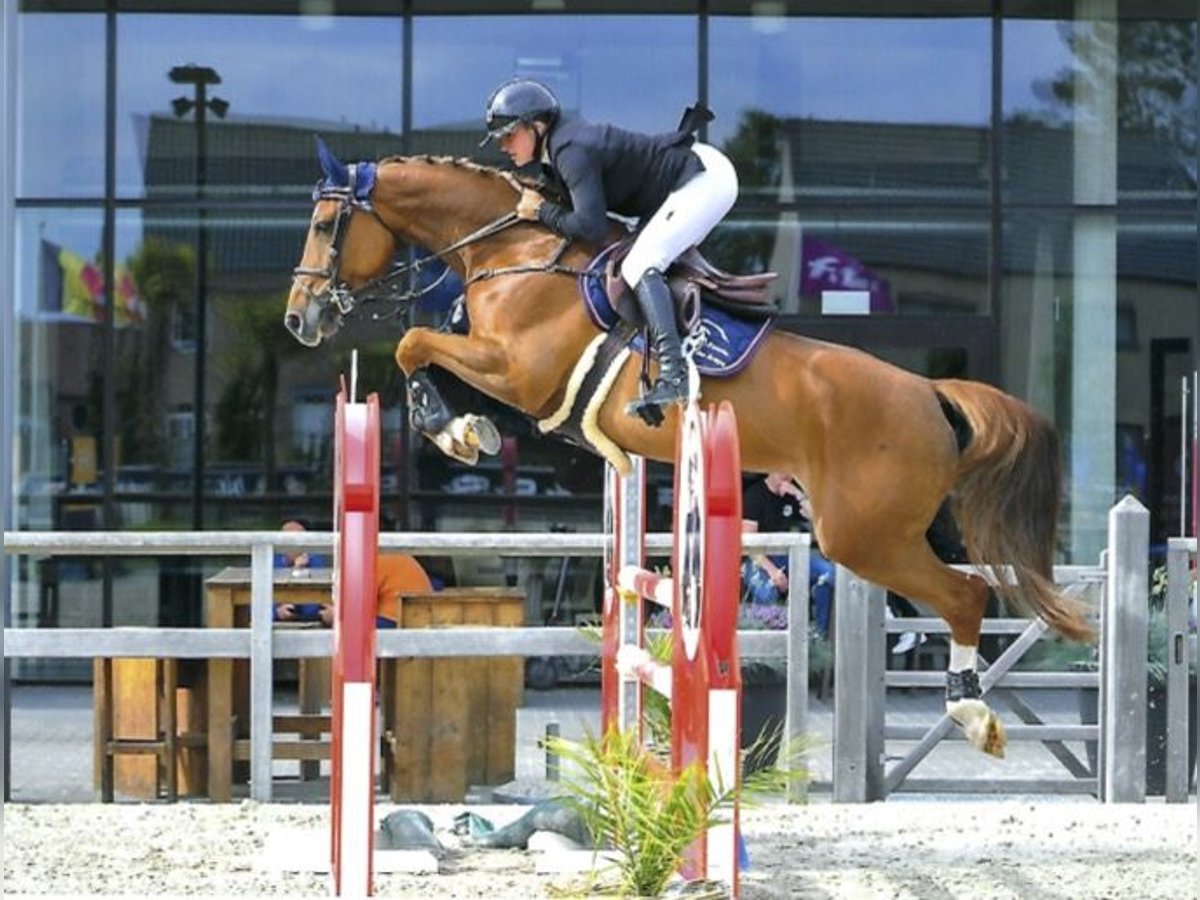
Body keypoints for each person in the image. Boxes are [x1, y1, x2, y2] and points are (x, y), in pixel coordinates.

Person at [480, 77, 740, 423]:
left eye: (509, 135)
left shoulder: (570, 150)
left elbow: (591, 227)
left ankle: (675, 374)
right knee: (642, 261)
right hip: (683, 183)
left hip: (703, 179)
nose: (503, 146)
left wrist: (541, 212)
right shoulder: (557, 149)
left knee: (640, 264)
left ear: (536, 125)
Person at [740, 472, 835, 636]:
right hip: (759, 559)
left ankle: (820, 635)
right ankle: (774, 642)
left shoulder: (793, 494)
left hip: (789, 555)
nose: (787, 475)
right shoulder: (754, 495)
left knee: (828, 573)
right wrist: (772, 572)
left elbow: (817, 518)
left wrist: (798, 495)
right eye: (781, 470)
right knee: (767, 590)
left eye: (790, 472)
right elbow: (750, 546)